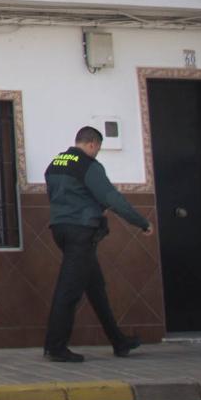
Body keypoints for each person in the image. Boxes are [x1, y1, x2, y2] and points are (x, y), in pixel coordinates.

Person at [43, 126, 152, 362]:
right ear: (92, 144)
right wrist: (142, 222)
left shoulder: (55, 163)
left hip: (60, 228)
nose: (97, 153)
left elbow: (55, 195)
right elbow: (111, 198)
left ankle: (119, 341)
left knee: (95, 288)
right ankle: (56, 347)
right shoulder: (88, 165)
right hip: (81, 232)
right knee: (68, 290)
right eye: (98, 149)